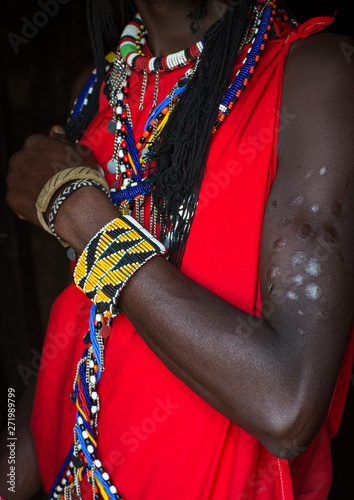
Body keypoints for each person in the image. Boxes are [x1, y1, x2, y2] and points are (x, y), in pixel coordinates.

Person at [5, 0, 354, 498]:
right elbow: (89, 337)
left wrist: (82, 215)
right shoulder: (97, 91)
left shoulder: (315, 76)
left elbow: (285, 403)